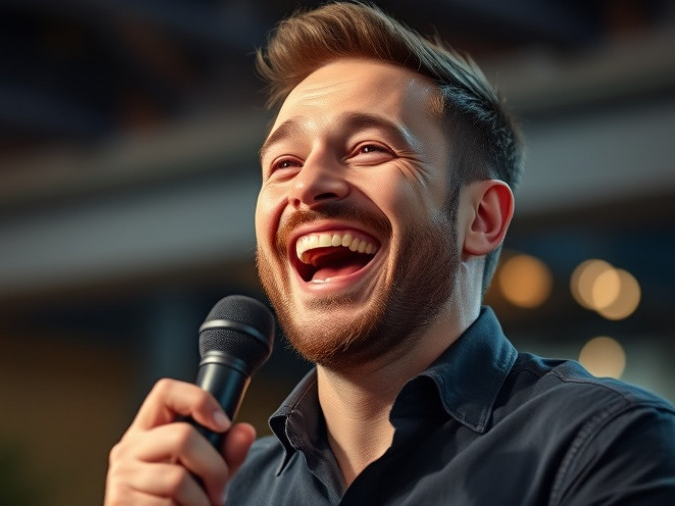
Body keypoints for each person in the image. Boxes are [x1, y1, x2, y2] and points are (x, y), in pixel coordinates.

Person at [104, 2, 675, 504]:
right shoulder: (222, 493)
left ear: (480, 219)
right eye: (284, 163)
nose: (308, 185)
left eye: (369, 148)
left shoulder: (610, 445)